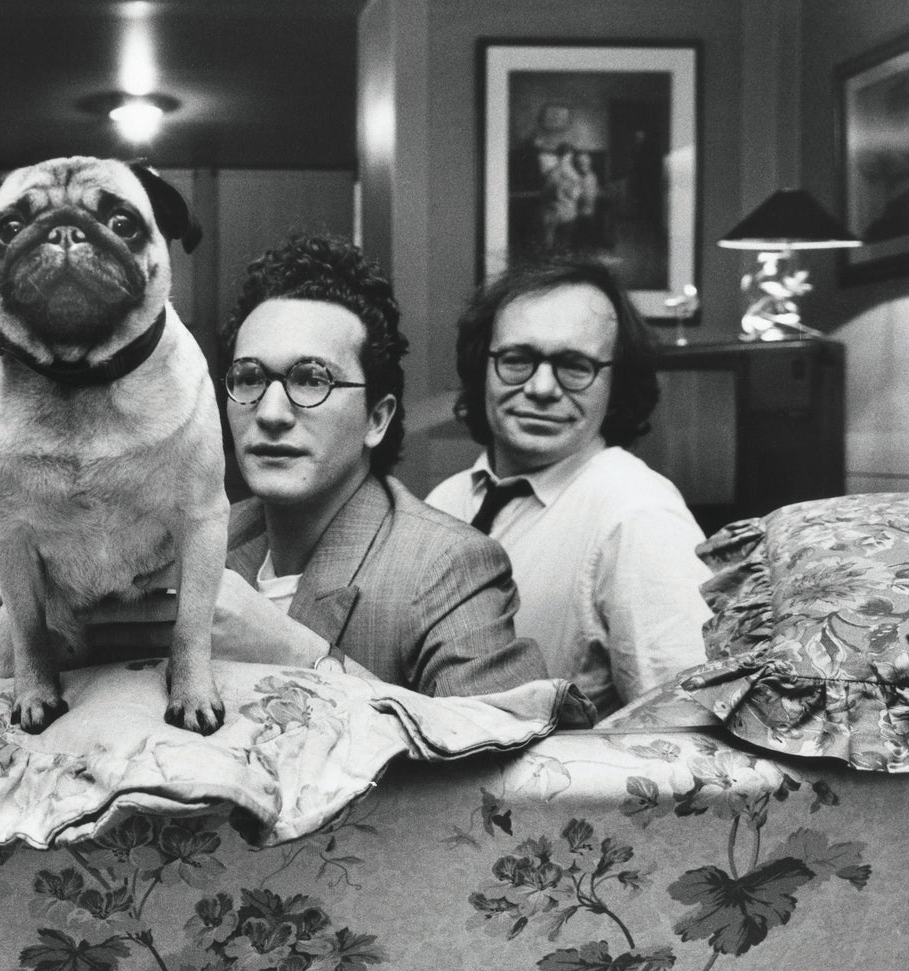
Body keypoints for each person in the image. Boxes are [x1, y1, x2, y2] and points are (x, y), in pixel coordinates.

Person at [214, 233, 550, 694]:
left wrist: (291, 651)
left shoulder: (447, 569)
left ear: (377, 419)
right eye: (250, 378)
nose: (271, 413)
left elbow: (497, 749)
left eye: (312, 380)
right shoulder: (213, 537)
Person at [425, 256, 711, 717]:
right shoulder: (445, 501)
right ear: (483, 367)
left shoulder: (638, 515)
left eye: (574, 366)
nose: (541, 388)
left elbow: (688, 723)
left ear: (615, 384)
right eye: (517, 359)